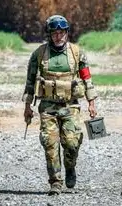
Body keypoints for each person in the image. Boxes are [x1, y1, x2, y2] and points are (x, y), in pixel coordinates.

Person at [22, 14, 99, 195]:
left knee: (71, 143)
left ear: (66, 33)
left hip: (70, 106)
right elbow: (30, 82)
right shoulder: (39, 54)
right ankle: (55, 182)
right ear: (49, 34)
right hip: (47, 107)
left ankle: (70, 167)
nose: (59, 36)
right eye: (55, 33)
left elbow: (87, 79)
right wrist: (27, 107)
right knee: (49, 143)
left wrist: (92, 103)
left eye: (62, 32)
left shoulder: (77, 53)